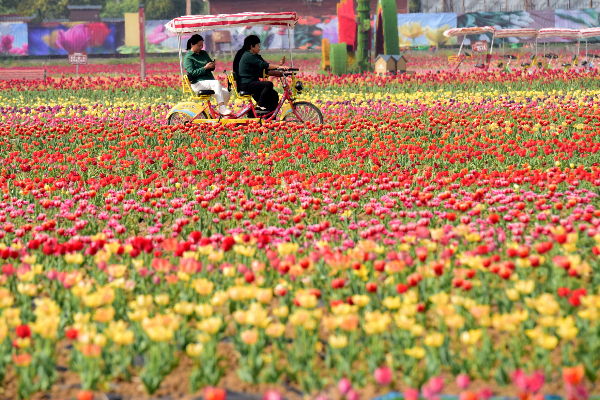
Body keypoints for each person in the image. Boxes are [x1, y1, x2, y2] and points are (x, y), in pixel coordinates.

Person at [235, 35, 288, 114]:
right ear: (251, 46)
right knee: (268, 84)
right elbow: (264, 65)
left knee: (274, 95)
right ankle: (259, 106)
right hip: (246, 84)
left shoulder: (255, 56)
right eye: (258, 45)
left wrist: (280, 65)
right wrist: (280, 67)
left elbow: (265, 69)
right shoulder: (248, 56)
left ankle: (270, 116)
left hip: (252, 83)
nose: (259, 47)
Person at [184, 34, 232, 116]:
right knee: (216, 83)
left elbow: (210, 67)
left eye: (202, 45)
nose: (201, 47)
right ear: (192, 44)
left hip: (209, 82)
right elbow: (192, 73)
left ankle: (218, 112)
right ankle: (222, 108)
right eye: (199, 45)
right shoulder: (188, 57)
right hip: (197, 83)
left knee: (226, 93)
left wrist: (212, 66)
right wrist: (205, 68)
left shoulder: (204, 53)